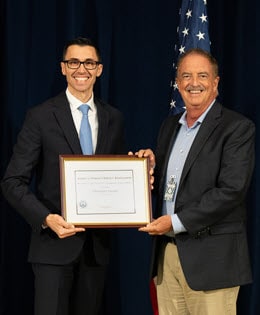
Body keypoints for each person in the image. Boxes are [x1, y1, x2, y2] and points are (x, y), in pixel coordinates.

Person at [1, 37, 125, 315]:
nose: (82, 69)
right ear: (63, 68)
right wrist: (46, 219)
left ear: (99, 69)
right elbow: (12, 182)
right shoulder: (40, 117)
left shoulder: (113, 118)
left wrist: (138, 167)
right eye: (74, 62)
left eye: (89, 62)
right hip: (52, 247)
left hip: (96, 250)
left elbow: (115, 176)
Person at [138, 48, 255, 314]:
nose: (194, 83)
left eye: (202, 75)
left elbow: (231, 190)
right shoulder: (169, 127)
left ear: (215, 82)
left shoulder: (237, 128)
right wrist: (149, 167)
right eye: (186, 76)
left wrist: (176, 222)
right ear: (178, 83)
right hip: (167, 254)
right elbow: (173, 185)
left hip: (212, 261)